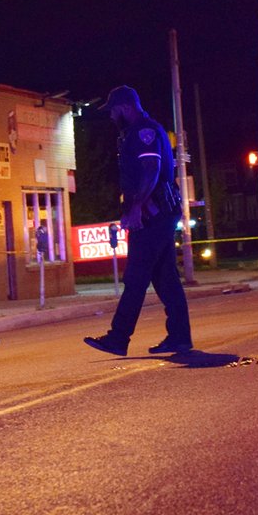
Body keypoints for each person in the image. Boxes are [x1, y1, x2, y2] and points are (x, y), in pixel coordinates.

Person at [84, 85, 193, 356]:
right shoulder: (137, 132)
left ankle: (118, 338)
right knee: (166, 279)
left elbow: (151, 170)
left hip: (152, 215)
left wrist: (136, 208)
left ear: (124, 108)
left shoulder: (144, 131)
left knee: (135, 278)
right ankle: (179, 338)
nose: (111, 117)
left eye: (113, 111)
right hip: (156, 215)